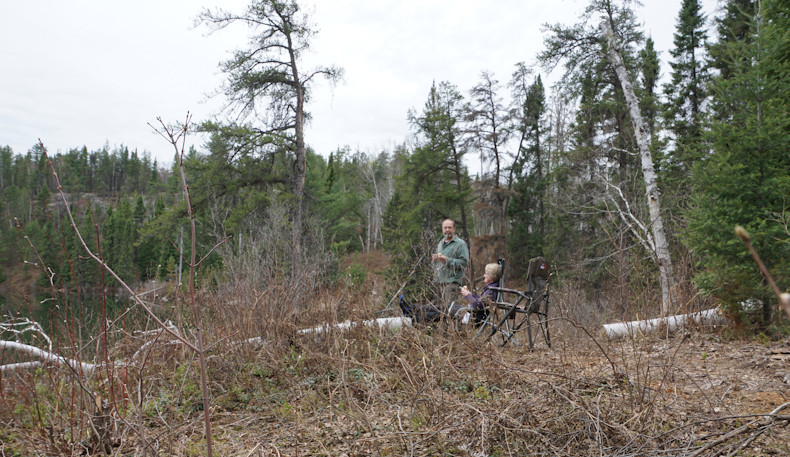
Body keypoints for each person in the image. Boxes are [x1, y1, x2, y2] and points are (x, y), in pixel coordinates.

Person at [432, 218, 469, 306]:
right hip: (438, 284)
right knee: (439, 313)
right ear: (442, 229)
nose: (447, 230)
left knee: (451, 312)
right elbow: (437, 265)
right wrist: (434, 261)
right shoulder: (440, 243)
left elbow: (464, 263)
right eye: (445, 228)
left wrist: (446, 260)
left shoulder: (460, 244)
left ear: (454, 229)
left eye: (449, 227)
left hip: (451, 283)